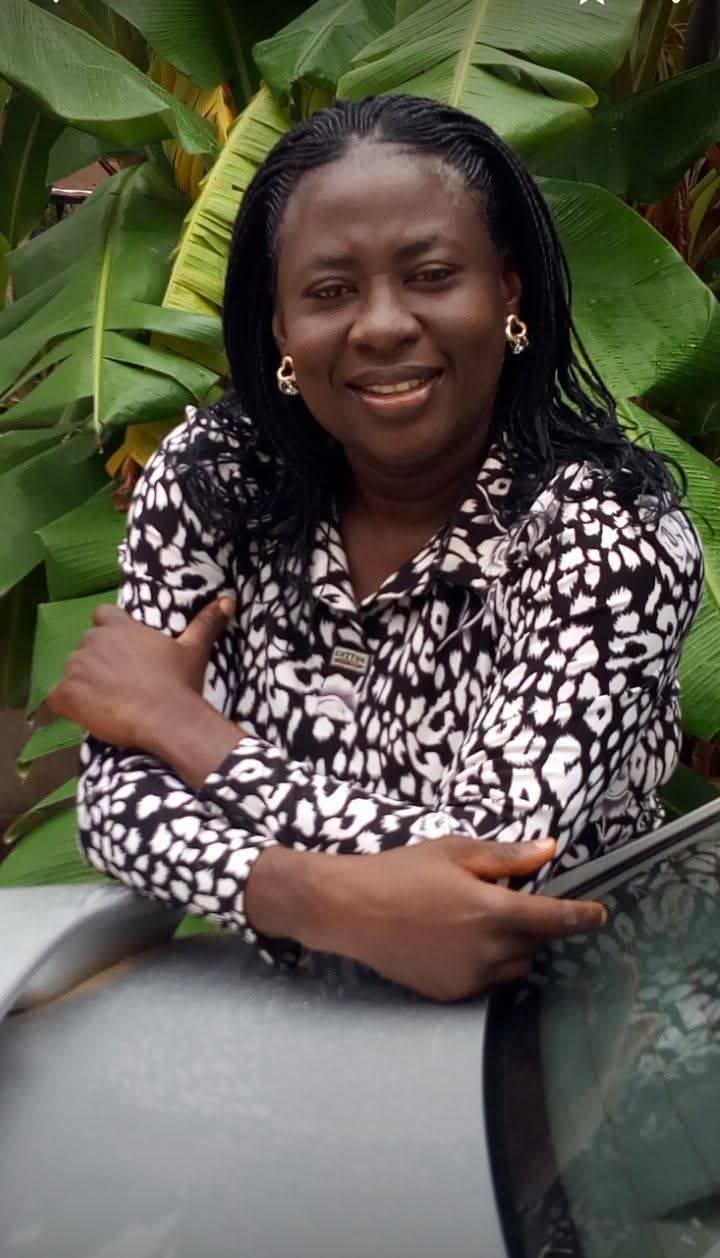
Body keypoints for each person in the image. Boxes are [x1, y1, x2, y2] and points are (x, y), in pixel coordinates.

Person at [48, 95, 703, 1003]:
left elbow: (494, 869)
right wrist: (317, 900)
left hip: (562, 1039)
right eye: (329, 292)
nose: (383, 324)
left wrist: (181, 726)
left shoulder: (607, 537)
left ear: (507, 292)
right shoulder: (216, 481)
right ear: (281, 327)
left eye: (431, 275)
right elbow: (117, 810)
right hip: (288, 1024)